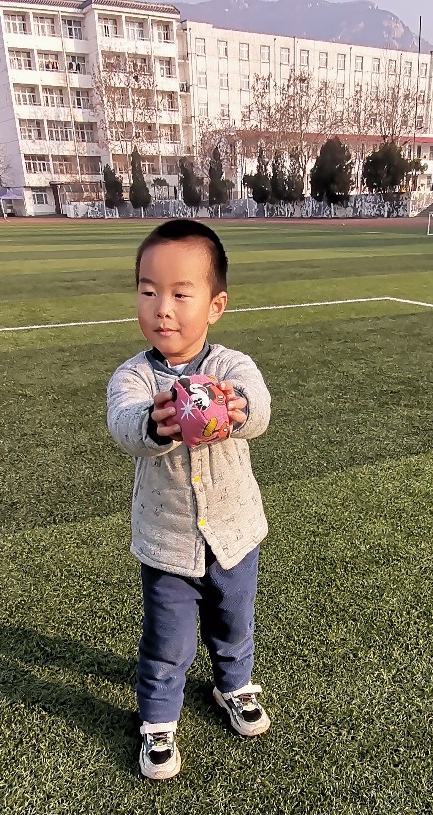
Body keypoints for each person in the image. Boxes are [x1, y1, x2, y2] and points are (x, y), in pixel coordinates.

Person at [107, 220, 271, 781]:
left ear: (215, 305)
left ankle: (235, 684)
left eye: (181, 294)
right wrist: (155, 424)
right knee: (168, 639)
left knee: (234, 620)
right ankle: (157, 719)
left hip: (234, 534)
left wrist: (237, 408)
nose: (163, 309)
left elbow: (259, 407)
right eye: (149, 291)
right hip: (168, 541)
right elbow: (124, 424)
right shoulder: (133, 376)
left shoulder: (229, 366)